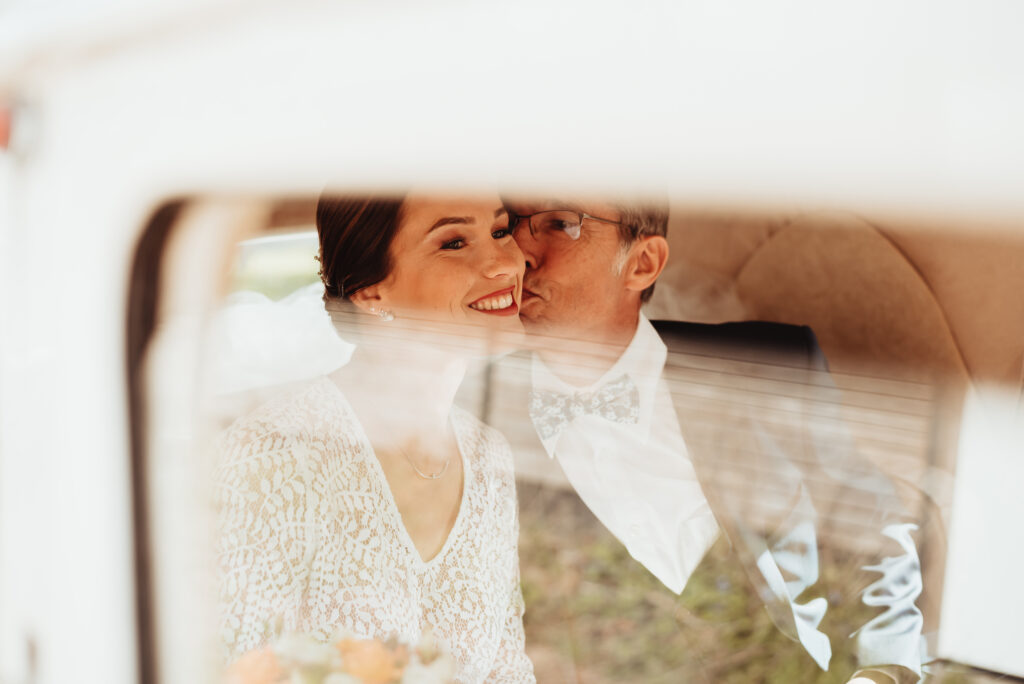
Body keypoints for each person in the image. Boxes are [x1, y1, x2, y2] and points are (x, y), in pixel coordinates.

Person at [484, 196, 926, 683]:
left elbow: (871, 527)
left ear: (642, 263)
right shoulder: (468, 416)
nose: (519, 253)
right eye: (510, 225)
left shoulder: (770, 368)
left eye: (560, 224)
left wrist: (882, 672)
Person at [216, 192, 536, 684]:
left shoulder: (490, 456)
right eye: (454, 242)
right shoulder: (273, 455)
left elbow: (506, 670)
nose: (506, 263)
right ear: (370, 293)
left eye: (499, 231)